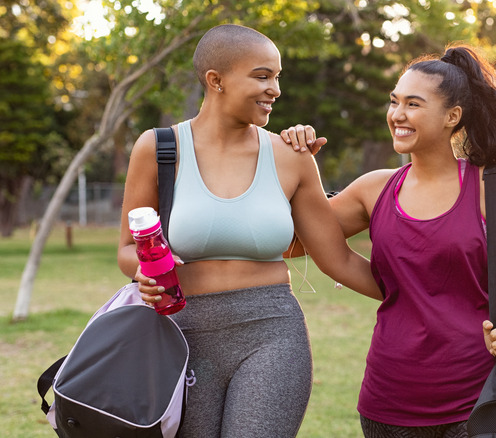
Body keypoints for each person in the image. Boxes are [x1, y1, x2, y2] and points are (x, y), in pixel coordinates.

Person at [117, 24, 382, 438]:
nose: (275, 89)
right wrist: (143, 272)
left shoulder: (290, 156)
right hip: (182, 337)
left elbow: (338, 258)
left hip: (272, 334)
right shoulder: (158, 148)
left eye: (277, 77)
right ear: (216, 80)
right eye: (262, 76)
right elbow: (126, 250)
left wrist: (418, 295)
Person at [283, 44, 496, 437]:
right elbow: (293, 243)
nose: (397, 114)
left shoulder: (495, 184)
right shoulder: (373, 190)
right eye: (394, 102)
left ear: (453, 116)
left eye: (413, 104)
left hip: (484, 399)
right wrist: (298, 164)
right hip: (389, 403)